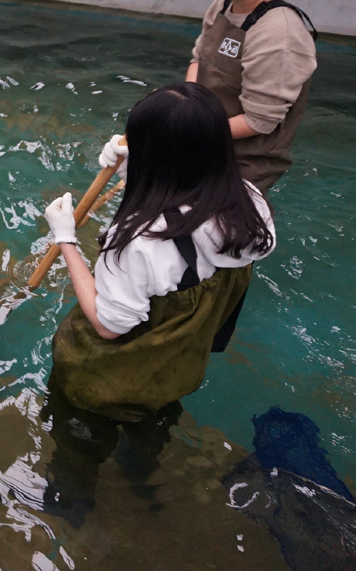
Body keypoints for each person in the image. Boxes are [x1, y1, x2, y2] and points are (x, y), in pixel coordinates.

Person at [40, 82, 275, 524]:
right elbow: (194, 220)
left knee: (78, 437)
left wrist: (66, 237)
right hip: (177, 366)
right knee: (152, 425)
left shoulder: (138, 242)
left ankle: (70, 502)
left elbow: (111, 324)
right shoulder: (252, 206)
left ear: (155, 154)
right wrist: (133, 165)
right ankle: (142, 481)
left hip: (108, 378)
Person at [182, 0, 317, 196]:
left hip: (240, 169)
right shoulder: (224, 3)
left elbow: (260, 120)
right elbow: (199, 59)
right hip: (201, 141)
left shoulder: (280, 34)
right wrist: (185, 112)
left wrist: (191, 129)